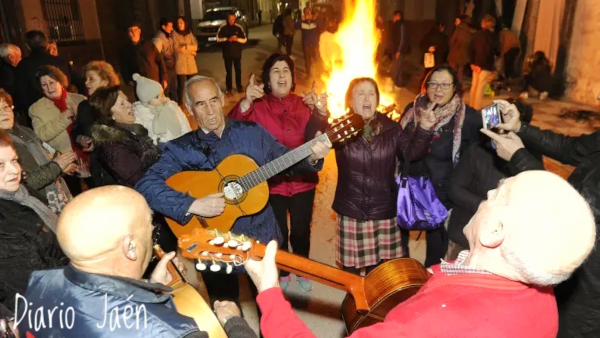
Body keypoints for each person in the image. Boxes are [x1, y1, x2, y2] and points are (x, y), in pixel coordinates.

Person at [246, 170, 596, 338]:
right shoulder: (544, 301)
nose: (489, 189)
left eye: (500, 192)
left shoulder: (426, 326)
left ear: (494, 233)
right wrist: (433, 277)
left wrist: (270, 294)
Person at [135, 75, 331, 308]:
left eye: (214, 100)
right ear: (189, 108)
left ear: (222, 99)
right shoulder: (180, 149)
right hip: (211, 245)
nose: (210, 110)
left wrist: (311, 156)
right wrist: (191, 204)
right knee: (226, 308)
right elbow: (145, 186)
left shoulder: (252, 133)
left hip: (259, 235)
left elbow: (283, 159)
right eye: (200, 104)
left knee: (270, 306)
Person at [16, 186, 256, 337]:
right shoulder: (168, 331)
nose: (153, 236)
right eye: (151, 230)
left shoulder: (39, 283)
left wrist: (150, 286)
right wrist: (234, 323)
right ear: (130, 247)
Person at [482, 99, 600, 337]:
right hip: (569, 262)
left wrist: (518, 157)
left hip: (589, 290)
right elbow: (572, 148)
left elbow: (568, 212)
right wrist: (520, 127)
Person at [229, 53, 329, 292]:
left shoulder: (303, 105)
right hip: (270, 183)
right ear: (267, 79)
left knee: (302, 231)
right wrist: (245, 103)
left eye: (286, 70)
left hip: (303, 182)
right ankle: (282, 270)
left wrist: (320, 112)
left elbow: (317, 137)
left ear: (292, 78)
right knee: (278, 233)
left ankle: (302, 268)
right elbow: (233, 128)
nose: (281, 75)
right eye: (276, 70)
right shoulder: (258, 107)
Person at [333, 77, 435, 276]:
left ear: (377, 100)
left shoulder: (392, 129)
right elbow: (316, 142)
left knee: (376, 270)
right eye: (360, 93)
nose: (366, 98)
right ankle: (353, 304)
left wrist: (424, 130)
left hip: (382, 209)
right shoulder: (341, 129)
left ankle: (373, 303)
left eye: (371, 93)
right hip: (351, 208)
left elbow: (411, 153)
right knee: (350, 271)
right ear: (350, 102)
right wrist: (318, 115)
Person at [400, 65, 482, 267]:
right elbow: (398, 143)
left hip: (441, 194)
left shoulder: (466, 117)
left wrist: (508, 113)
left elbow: (492, 127)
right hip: (411, 186)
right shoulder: (412, 110)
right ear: (425, 86)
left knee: (436, 248)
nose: (438, 89)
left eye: (445, 84)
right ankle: (402, 275)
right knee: (400, 236)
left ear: (455, 88)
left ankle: (429, 282)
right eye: (434, 83)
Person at [446, 100, 543, 259]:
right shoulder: (477, 151)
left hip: (505, 240)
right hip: (467, 233)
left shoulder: (529, 155)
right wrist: (484, 206)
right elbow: (454, 188)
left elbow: (537, 190)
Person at [0, 129, 68, 316]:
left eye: (14, 160)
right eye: (0, 165)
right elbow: (32, 289)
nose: (15, 170)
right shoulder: (4, 227)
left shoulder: (21, 193)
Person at [0, 89, 73, 213]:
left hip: (58, 195)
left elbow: (48, 152)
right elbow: (25, 184)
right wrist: (57, 166)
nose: (3, 113)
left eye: (5, 107)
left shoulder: (25, 131)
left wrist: (65, 165)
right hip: (36, 207)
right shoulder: (3, 147)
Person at [29, 65, 91, 196]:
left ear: (60, 81)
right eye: (44, 85)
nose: (49, 88)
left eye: (52, 82)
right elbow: (42, 135)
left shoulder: (79, 99)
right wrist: (64, 119)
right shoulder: (36, 108)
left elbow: (91, 127)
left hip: (88, 156)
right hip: (65, 161)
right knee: (75, 198)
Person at [89, 86, 161, 188]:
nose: (129, 105)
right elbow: (140, 179)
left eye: (127, 100)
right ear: (110, 114)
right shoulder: (112, 146)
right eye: (122, 104)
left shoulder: (131, 130)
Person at [14, 30, 71, 126]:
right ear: (47, 44)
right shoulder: (60, 61)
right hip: (63, 107)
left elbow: (21, 91)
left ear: (27, 46)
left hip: (36, 113)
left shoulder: (24, 65)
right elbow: (71, 82)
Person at [132, 73, 191, 145]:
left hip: (179, 143)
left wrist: (188, 139)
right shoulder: (141, 113)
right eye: (157, 97)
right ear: (146, 100)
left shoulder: (171, 106)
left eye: (162, 94)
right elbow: (140, 134)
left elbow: (183, 123)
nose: (161, 98)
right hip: (158, 148)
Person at [119, 22, 168, 95]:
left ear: (139, 31)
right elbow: (124, 67)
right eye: (130, 30)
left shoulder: (149, 45)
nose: (132, 33)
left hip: (154, 82)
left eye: (134, 30)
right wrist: (128, 80)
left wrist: (164, 78)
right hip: (140, 86)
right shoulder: (126, 50)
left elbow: (160, 62)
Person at [469, 15, 497, 110]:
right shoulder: (491, 37)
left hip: (476, 63)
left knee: (474, 86)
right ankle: (476, 108)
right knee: (480, 88)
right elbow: (488, 51)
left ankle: (471, 106)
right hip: (485, 65)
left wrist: (472, 63)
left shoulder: (476, 35)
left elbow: (471, 49)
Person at [217, 12, 247, 96]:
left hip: (237, 53)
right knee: (228, 72)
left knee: (238, 70)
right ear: (227, 19)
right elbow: (218, 39)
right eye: (230, 19)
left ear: (235, 19)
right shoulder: (223, 28)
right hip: (227, 54)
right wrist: (227, 39)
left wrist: (237, 39)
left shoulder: (239, 27)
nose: (231, 21)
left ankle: (239, 87)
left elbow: (244, 39)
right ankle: (229, 89)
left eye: (233, 19)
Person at [173, 16, 199, 105]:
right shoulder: (175, 33)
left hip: (190, 63)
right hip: (181, 63)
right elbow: (177, 48)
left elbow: (195, 46)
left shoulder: (189, 33)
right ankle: (180, 103)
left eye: (181, 22)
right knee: (181, 85)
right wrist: (191, 51)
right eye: (178, 23)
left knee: (192, 84)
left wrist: (186, 47)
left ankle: (192, 101)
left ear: (185, 23)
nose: (179, 25)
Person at [154, 17, 178, 102]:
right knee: (166, 91)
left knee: (173, 90)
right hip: (165, 69)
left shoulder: (168, 36)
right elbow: (157, 57)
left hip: (171, 67)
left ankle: (176, 108)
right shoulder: (158, 39)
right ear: (164, 27)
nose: (172, 28)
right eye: (170, 26)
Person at [448, 15, 474, 86]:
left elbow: (452, 41)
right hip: (464, 54)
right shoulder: (470, 31)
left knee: (452, 69)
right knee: (460, 71)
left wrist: (452, 47)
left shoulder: (459, 29)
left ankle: (452, 84)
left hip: (455, 52)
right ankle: (459, 85)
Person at [390, 10, 411, 90]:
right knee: (399, 67)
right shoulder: (398, 24)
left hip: (399, 51)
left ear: (398, 16)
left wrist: (399, 50)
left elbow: (402, 38)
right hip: (397, 50)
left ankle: (393, 84)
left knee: (395, 68)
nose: (393, 18)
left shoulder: (401, 25)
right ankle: (399, 84)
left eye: (394, 16)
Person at [300, 7, 321, 79]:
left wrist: (316, 19)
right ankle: (308, 75)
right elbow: (295, 26)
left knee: (316, 60)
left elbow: (322, 25)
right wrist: (301, 20)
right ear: (304, 13)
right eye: (306, 12)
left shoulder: (314, 21)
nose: (308, 13)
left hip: (314, 44)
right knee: (307, 61)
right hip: (306, 45)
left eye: (309, 11)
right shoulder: (302, 22)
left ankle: (319, 74)